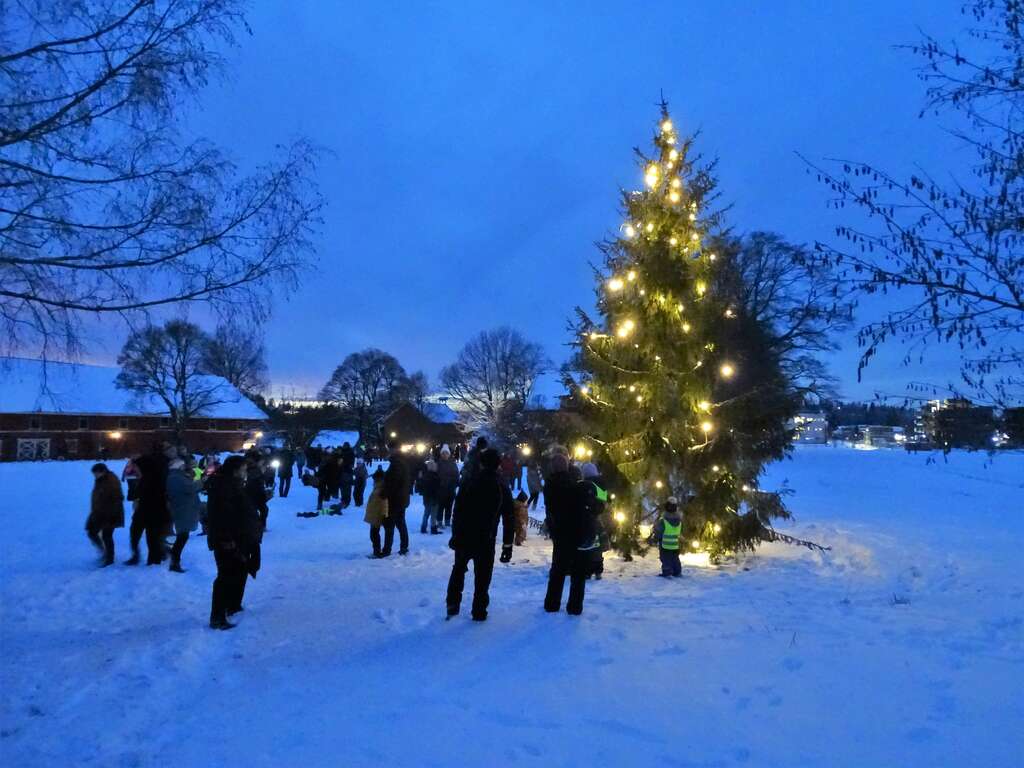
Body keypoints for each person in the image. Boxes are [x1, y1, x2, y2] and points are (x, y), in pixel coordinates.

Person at [445, 448, 515, 621]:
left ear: (481, 463)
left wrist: (455, 533)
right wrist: (507, 545)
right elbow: (509, 517)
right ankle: (479, 609)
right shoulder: (501, 485)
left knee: (459, 569)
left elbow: (458, 510)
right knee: (483, 575)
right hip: (486, 537)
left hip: (465, 534)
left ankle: (453, 603)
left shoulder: (469, 481)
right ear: (498, 464)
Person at [206, 456, 262, 630]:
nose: (245, 472)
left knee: (239, 571)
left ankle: (233, 605)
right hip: (229, 540)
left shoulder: (233, 484)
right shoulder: (224, 486)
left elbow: (240, 509)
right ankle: (217, 617)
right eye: (244, 469)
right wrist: (226, 540)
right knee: (226, 576)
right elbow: (221, 516)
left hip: (240, 537)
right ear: (236, 470)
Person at [543, 453, 592, 615]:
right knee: (578, 573)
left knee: (558, 569)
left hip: (560, 533)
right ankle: (575, 606)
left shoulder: (550, 485)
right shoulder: (575, 485)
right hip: (577, 533)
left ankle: (552, 603)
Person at [125, 447, 170, 565]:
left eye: (136, 469)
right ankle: (140, 557)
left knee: (152, 537)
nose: (135, 471)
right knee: (136, 534)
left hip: (154, 512)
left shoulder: (153, 477)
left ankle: (154, 560)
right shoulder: (146, 477)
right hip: (145, 511)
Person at [166, 457, 202, 572]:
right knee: (183, 536)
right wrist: (202, 481)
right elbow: (190, 488)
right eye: (182, 465)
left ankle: (172, 554)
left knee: (183, 535)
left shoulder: (177, 476)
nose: (184, 467)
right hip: (182, 509)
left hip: (184, 509)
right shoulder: (175, 477)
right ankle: (174, 562)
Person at [86, 463, 124, 567]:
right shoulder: (101, 479)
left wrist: (112, 514)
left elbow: (118, 498)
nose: (94, 476)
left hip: (110, 513)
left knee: (107, 535)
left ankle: (109, 558)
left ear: (102, 471)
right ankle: (104, 552)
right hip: (98, 512)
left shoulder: (111, 481)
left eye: (96, 473)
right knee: (91, 531)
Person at [580, 462, 610, 580]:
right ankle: (598, 570)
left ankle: (588, 570)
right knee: (598, 546)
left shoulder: (586, 485)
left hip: (591, 517)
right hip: (602, 516)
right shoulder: (602, 484)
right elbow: (605, 500)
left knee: (589, 545)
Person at [381, 441, 411, 556]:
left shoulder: (397, 463)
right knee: (400, 523)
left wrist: (384, 494)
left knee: (390, 525)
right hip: (402, 498)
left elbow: (393, 483)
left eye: (390, 449)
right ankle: (404, 547)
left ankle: (386, 550)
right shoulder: (402, 461)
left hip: (395, 499)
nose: (389, 451)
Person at [652, 497, 684, 578]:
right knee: (675, 559)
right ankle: (677, 571)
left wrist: (656, 537)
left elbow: (659, 531)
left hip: (665, 544)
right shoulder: (679, 521)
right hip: (675, 544)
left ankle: (667, 572)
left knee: (665, 559)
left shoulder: (663, 520)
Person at [364, 467, 388, 558]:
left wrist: (384, 514)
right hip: (374, 513)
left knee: (374, 534)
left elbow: (384, 502)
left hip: (377, 515)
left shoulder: (381, 488)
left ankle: (377, 551)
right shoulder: (378, 487)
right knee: (373, 534)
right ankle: (376, 550)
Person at [436, 446, 459, 528]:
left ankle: (447, 521)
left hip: (450, 489)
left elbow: (456, 475)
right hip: (441, 489)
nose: (445, 455)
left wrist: (455, 484)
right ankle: (439, 521)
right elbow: (435, 476)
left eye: (446, 453)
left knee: (449, 506)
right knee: (440, 507)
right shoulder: (438, 463)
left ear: (449, 454)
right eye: (443, 453)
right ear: (441, 454)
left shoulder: (452, 463)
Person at [246, 452, 270, 530]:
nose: (263, 463)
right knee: (256, 511)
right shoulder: (253, 469)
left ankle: (260, 526)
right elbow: (253, 480)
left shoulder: (256, 469)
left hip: (258, 493)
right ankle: (257, 526)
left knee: (263, 510)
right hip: (253, 493)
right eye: (262, 461)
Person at [418, 458, 441, 534]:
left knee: (426, 513)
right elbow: (437, 488)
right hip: (434, 499)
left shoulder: (425, 476)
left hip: (426, 498)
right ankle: (433, 528)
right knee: (433, 514)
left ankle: (423, 527)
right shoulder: (436, 477)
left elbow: (421, 487)